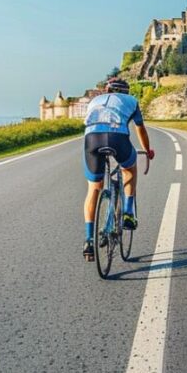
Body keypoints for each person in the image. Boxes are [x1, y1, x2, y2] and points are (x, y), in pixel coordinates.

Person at [81, 78, 154, 261]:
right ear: (126, 92)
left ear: (107, 90)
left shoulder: (94, 101)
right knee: (129, 168)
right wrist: (147, 150)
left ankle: (89, 241)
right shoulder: (131, 101)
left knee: (93, 188)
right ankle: (128, 213)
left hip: (92, 140)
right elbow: (141, 129)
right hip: (117, 138)